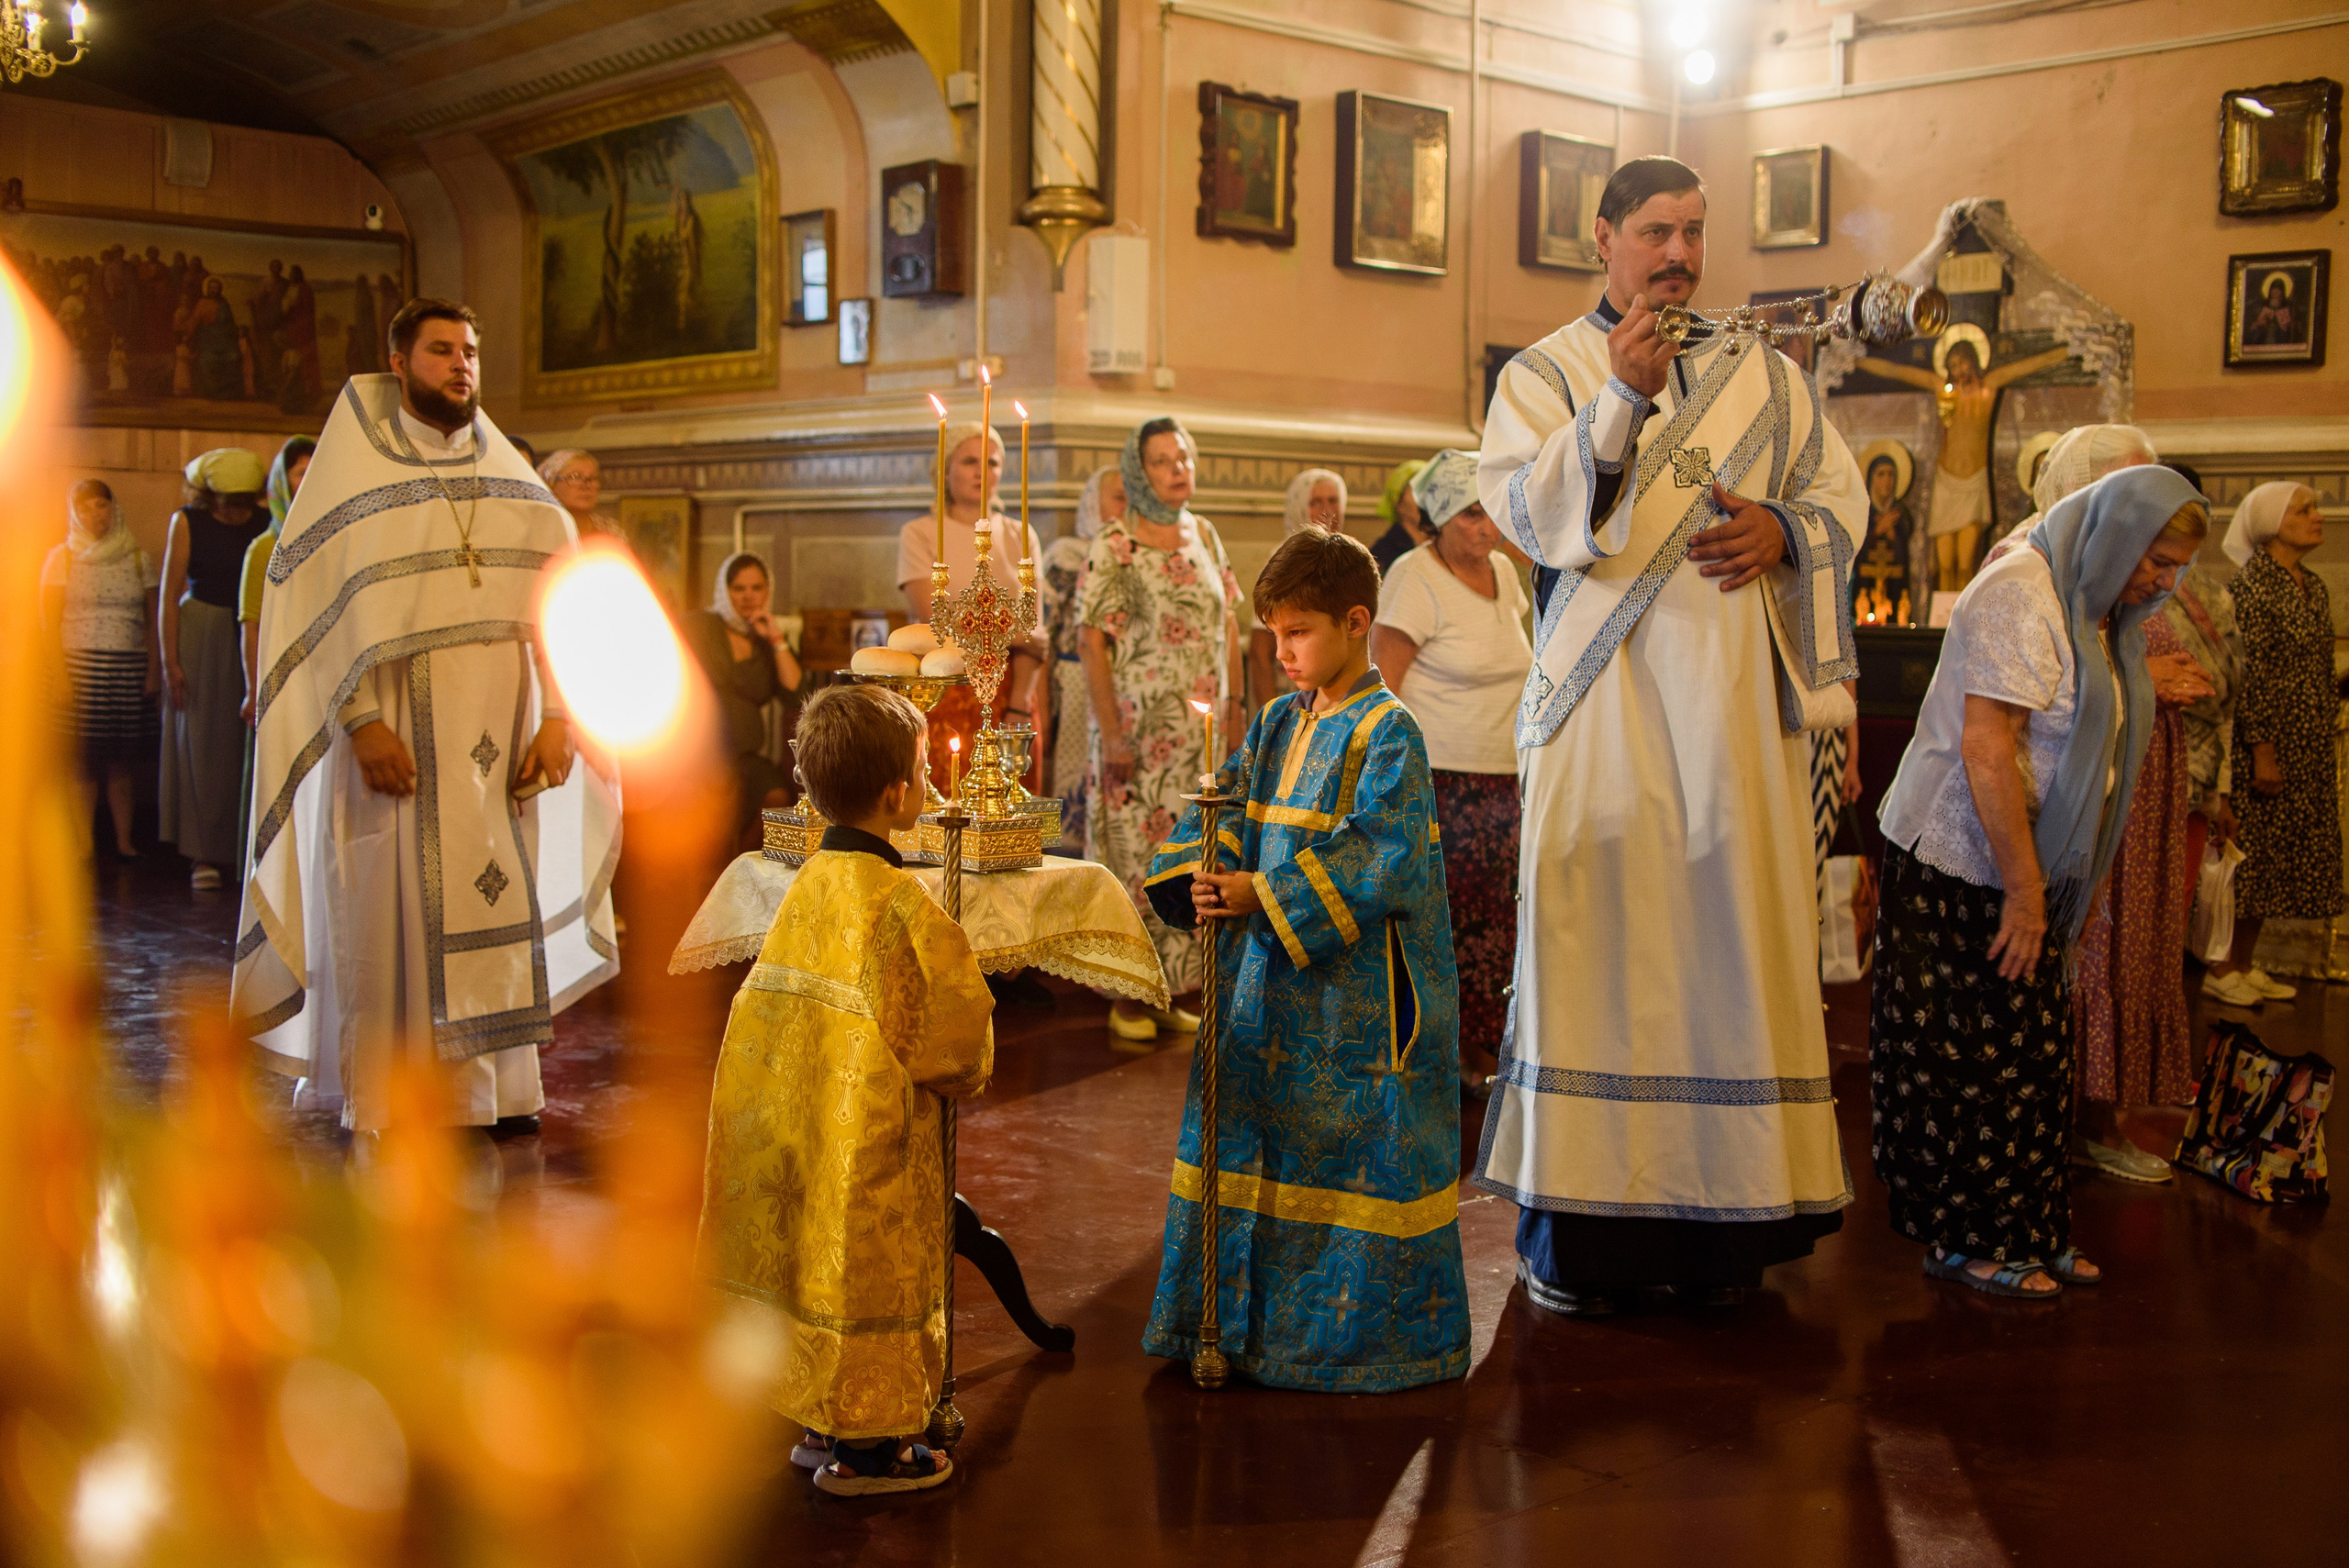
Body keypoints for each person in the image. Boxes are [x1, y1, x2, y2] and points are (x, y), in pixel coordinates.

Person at [1473, 157, 1864, 1318]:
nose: (1678, 252)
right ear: (1603, 237)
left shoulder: (1767, 379)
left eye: (1693, 231)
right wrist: (1619, 401)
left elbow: (1843, 500)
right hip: (1604, 719)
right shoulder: (1544, 372)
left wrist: (1786, 535)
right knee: (1601, 952)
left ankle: (1724, 1233)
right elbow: (1530, 515)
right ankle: (1583, 1239)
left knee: (1720, 952)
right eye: (1654, 230)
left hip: (1732, 728)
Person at [234, 298, 621, 1133]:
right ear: (399, 361)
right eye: (442, 350)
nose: (462, 367)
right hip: (396, 742)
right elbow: (315, 618)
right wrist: (362, 722)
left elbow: (563, 604)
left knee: (493, 890)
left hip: (501, 737)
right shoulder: (353, 483)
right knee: (391, 910)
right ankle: (397, 1096)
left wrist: (560, 716)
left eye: (471, 352)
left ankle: (500, 1092)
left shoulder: (514, 481)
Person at [1141, 528, 1470, 1391]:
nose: (1282, 653)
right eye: (1274, 634)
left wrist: (1264, 894)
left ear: (1356, 622)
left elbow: (1385, 855)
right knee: (1259, 1145)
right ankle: (1240, 1332)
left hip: (1353, 1008)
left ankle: (1346, 1347)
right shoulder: (1282, 720)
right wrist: (1201, 872)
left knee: (1342, 1157)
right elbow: (1229, 806)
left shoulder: (1389, 731)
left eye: (1299, 633)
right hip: (1267, 991)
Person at [1872, 468, 2207, 1297]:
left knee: (2035, 1052)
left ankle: (2030, 1227)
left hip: (2028, 858)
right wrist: (2026, 893)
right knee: (1970, 1057)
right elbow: (1988, 750)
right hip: (1960, 856)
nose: (2164, 582)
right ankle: (1966, 1239)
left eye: (2175, 568)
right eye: (2157, 561)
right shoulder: (2021, 591)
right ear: (2117, 535)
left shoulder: (2098, 602)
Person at [695, 684, 991, 1496]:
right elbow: (958, 1042)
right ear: (901, 794)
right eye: (926, 770)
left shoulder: (805, 884)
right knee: (867, 1267)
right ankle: (872, 1449)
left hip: (798, 1118)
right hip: (867, 1140)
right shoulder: (900, 903)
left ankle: (821, 1415)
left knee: (810, 1262)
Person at [1078, 416, 1244, 1045]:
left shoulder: (1203, 533)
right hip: (1138, 738)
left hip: (1196, 738)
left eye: (1185, 457)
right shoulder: (1116, 542)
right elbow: (1091, 642)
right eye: (1162, 460)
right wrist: (1112, 732)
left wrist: (1232, 711)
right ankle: (1129, 994)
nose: (1179, 469)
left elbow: (1229, 622)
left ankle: (1171, 989)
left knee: (1188, 859)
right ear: (1137, 470)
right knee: (1134, 863)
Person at [1369, 450, 1530, 1095]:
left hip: (1501, 778)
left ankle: (1484, 1043)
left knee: (1497, 920)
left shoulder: (1504, 574)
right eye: (1470, 513)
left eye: (1492, 509)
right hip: (1438, 781)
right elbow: (1384, 687)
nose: (1487, 525)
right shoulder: (1414, 577)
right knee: (1445, 921)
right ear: (1438, 517)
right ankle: (1435, 1051)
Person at [2210, 483, 2343, 1004]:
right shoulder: (2251, 588)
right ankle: (2222, 966)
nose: (2318, 517)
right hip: (2262, 748)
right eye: (2304, 509)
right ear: (2269, 522)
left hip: (2305, 745)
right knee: (2249, 861)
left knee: (2275, 863)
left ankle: (2247, 961)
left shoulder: (2312, 584)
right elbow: (2252, 676)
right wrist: (2263, 748)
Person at [894, 421, 1047, 799]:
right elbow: (936, 621)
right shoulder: (921, 532)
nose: (982, 471)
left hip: (1014, 690)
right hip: (945, 687)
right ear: (944, 471)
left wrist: (1020, 706)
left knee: (1012, 819)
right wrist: (1012, 634)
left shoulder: (1021, 534)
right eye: (968, 461)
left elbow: (1036, 635)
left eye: (992, 462)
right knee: (945, 811)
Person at [1856, 333, 2074, 592]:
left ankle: (1961, 614)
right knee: (1945, 563)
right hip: (1946, 482)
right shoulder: (1942, 389)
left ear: (1974, 361)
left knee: (1965, 563)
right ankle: (1942, 620)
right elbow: (1896, 371)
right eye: (1953, 365)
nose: (1958, 370)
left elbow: (2029, 365)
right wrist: (1857, 362)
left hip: (1973, 483)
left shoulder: (1989, 386)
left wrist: (2069, 349)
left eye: (1963, 363)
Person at [159, 446, 273, 889]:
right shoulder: (187, 521)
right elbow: (169, 596)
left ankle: (247, 849)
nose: (235, 509)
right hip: (202, 633)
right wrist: (170, 662)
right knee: (204, 745)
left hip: (250, 629)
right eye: (228, 500)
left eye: (244, 500)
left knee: (242, 744)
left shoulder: (266, 524)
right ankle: (201, 852)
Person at [40, 480, 160, 860]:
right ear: (75, 514)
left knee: (122, 758)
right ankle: (84, 842)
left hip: (126, 665)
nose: (97, 514)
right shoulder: (62, 558)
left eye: (102, 506)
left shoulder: (139, 558)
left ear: (114, 508)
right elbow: (48, 622)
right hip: (78, 667)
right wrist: (58, 675)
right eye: (87, 508)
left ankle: (124, 841)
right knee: (82, 758)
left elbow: (153, 621)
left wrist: (153, 671)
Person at [681, 551, 804, 840]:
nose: (748, 596)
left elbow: (797, 694)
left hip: (745, 757)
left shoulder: (763, 641)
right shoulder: (700, 626)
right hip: (700, 753)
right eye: (738, 588)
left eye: (757, 588)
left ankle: (741, 868)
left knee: (777, 796)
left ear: (767, 591)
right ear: (725, 591)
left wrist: (775, 640)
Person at [237, 436, 316, 874]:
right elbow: (251, 622)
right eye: (299, 474)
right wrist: (253, 688)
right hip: (278, 675)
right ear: (282, 483)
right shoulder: (264, 547)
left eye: (312, 472)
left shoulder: (329, 536)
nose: (307, 482)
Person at [1040, 467, 1121, 850]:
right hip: (1072, 686)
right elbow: (1046, 638)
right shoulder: (1067, 556)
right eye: (1119, 498)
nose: (1128, 507)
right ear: (1093, 503)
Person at [1247, 467, 1346, 712]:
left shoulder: (1349, 560)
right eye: (1315, 502)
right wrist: (1271, 718)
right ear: (1298, 506)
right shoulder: (1283, 561)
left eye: (1333, 501)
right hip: (1293, 696)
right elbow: (1260, 652)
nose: (1326, 510)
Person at [538, 449, 620, 540]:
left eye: (593, 478)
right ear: (551, 485)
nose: (586, 485)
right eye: (575, 477)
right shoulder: (539, 532)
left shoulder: (610, 530)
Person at [1368, 459, 1427, 575]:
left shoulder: (1444, 545)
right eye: (1417, 491)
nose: (1425, 500)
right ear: (1398, 503)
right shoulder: (1382, 554)